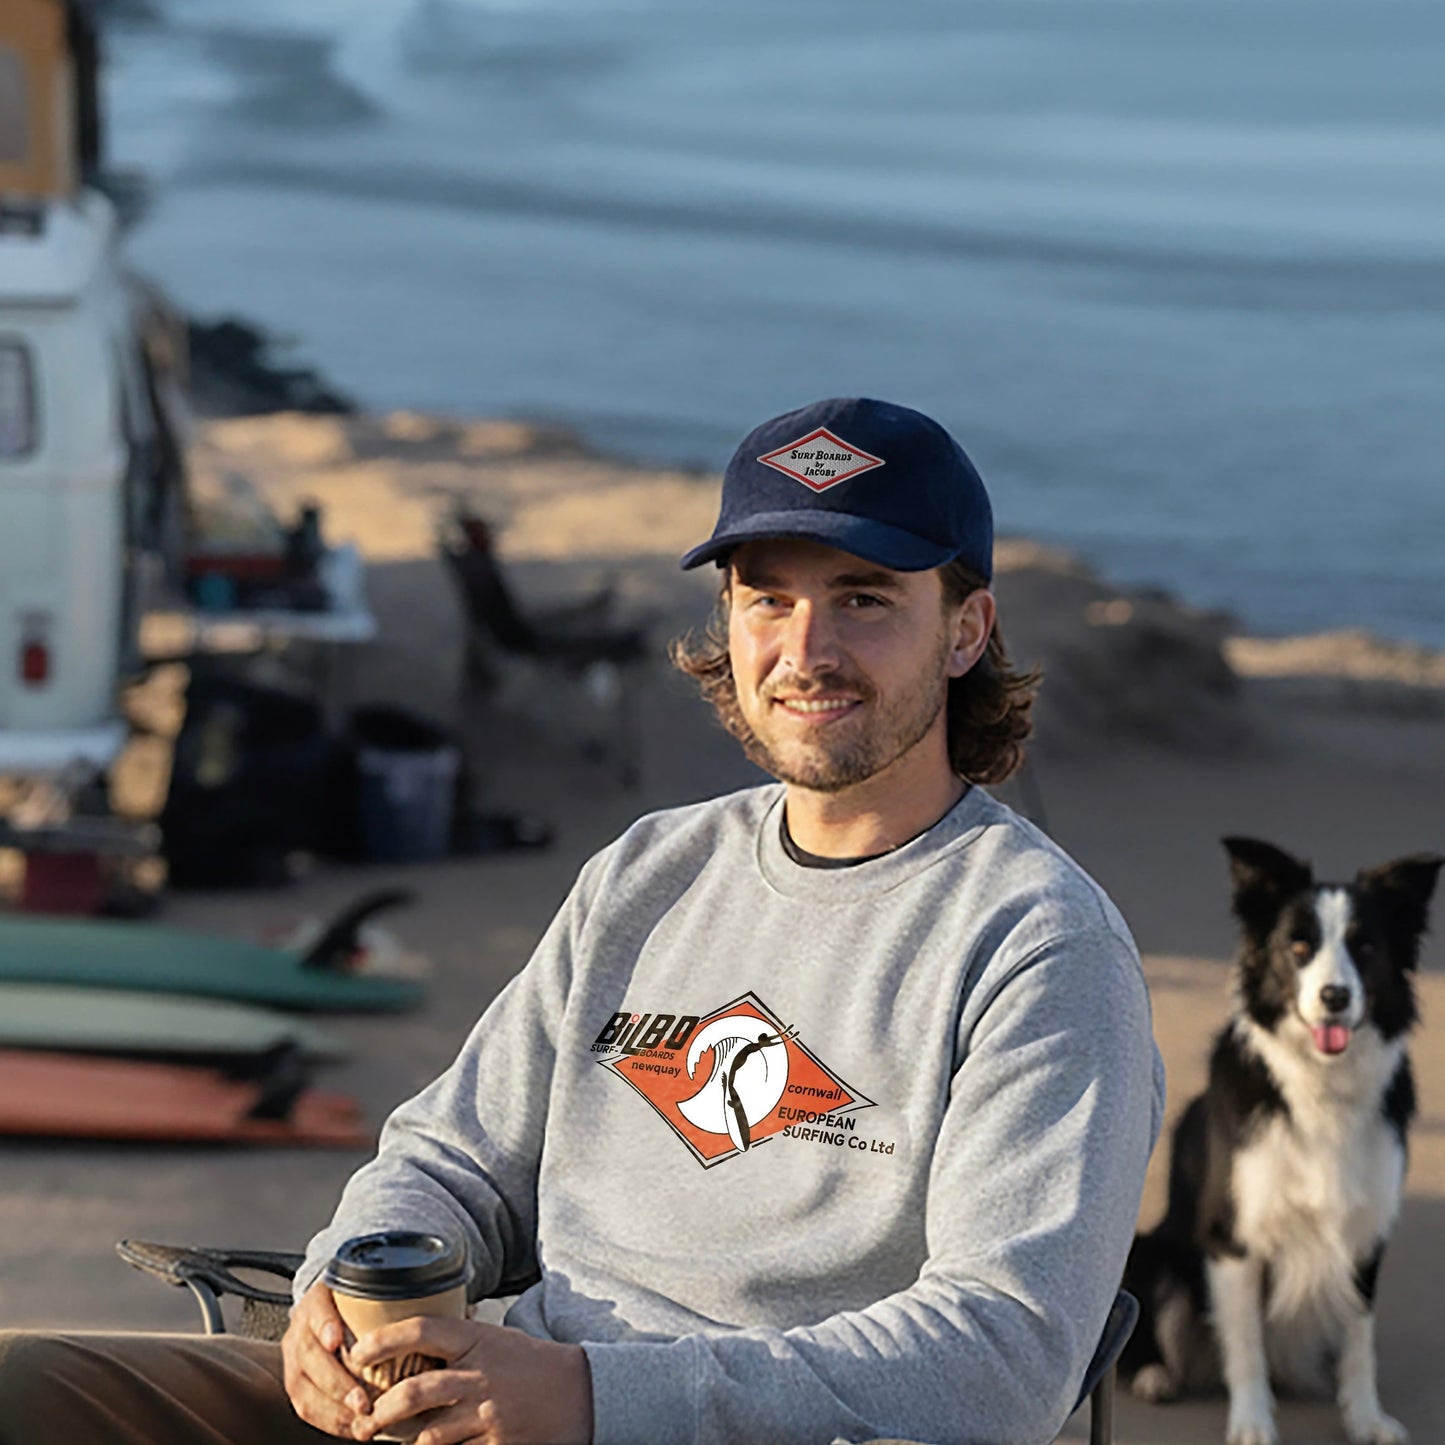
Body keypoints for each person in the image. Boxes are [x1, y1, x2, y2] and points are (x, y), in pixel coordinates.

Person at [0, 397, 1165, 1445]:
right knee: (31, 1389)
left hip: (678, 1423)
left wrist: (592, 1399)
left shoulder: (1035, 944)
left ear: (965, 631)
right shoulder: (654, 869)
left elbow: (1000, 1356)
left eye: (863, 599)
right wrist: (339, 1293)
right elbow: (449, 1159)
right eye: (768, 597)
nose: (806, 651)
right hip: (477, 1403)